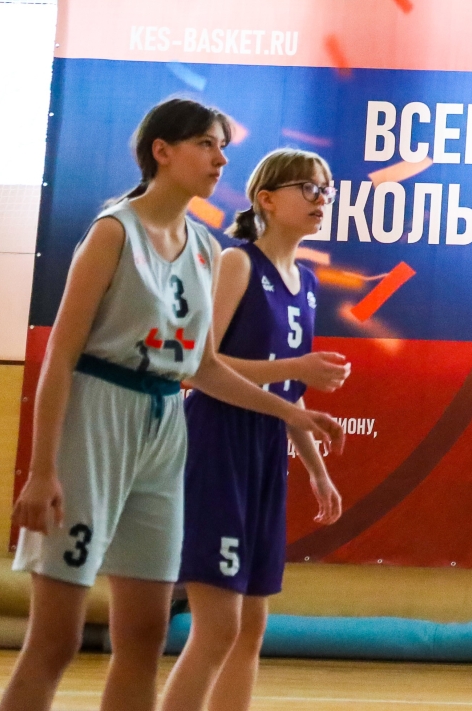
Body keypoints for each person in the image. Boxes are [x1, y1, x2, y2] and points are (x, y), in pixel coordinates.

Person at [2, 99, 345, 711]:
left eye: (223, 148)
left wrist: (293, 413)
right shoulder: (114, 232)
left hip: (165, 432)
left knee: (144, 637)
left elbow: (203, 368)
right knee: (56, 641)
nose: (220, 159)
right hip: (99, 414)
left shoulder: (205, 250)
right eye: (206, 145)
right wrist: (42, 469)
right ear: (162, 151)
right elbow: (59, 356)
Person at [161, 149, 352, 711]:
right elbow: (198, 365)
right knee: (218, 627)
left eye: (326, 190)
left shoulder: (308, 282)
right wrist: (296, 368)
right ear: (266, 199)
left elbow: (289, 395)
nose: (321, 200)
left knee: (249, 631)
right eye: (309, 188)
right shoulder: (237, 263)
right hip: (218, 441)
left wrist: (317, 471)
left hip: (267, 450)